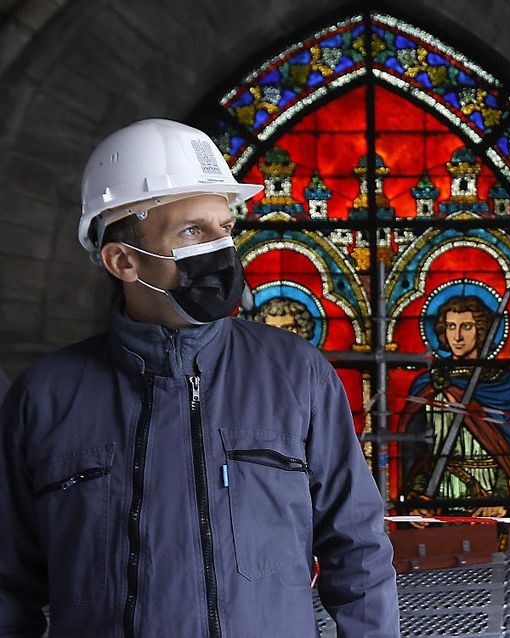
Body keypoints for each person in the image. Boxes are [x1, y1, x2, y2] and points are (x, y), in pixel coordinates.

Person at [0, 119, 399, 637]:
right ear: (122, 260)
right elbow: (7, 586)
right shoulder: (47, 398)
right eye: (192, 231)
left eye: (225, 227)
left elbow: (359, 553)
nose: (221, 248)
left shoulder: (293, 375)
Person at [396, 295, 510, 546]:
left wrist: (502, 500)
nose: (457, 336)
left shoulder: (504, 385)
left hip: (487, 502)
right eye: (451, 326)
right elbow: (418, 455)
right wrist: (416, 500)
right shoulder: (428, 385)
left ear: (480, 330)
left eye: (466, 326)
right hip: (439, 504)